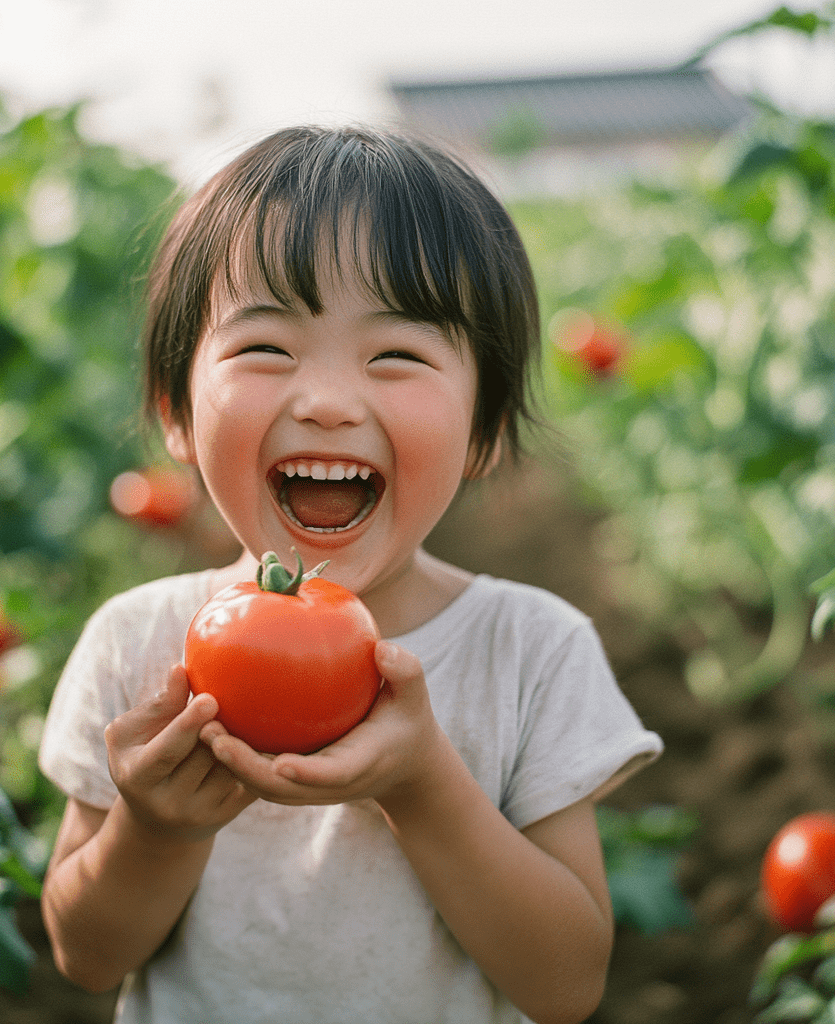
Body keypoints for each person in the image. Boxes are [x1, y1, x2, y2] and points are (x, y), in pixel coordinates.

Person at [38, 124, 663, 1024]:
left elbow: (564, 984)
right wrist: (155, 830)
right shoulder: (139, 645)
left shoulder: (530, 652)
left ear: (484, 430)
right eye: (266, 349)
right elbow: (86, 956)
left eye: (396, 356)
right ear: (177, 414)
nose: (327, 401)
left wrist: (421, 784)